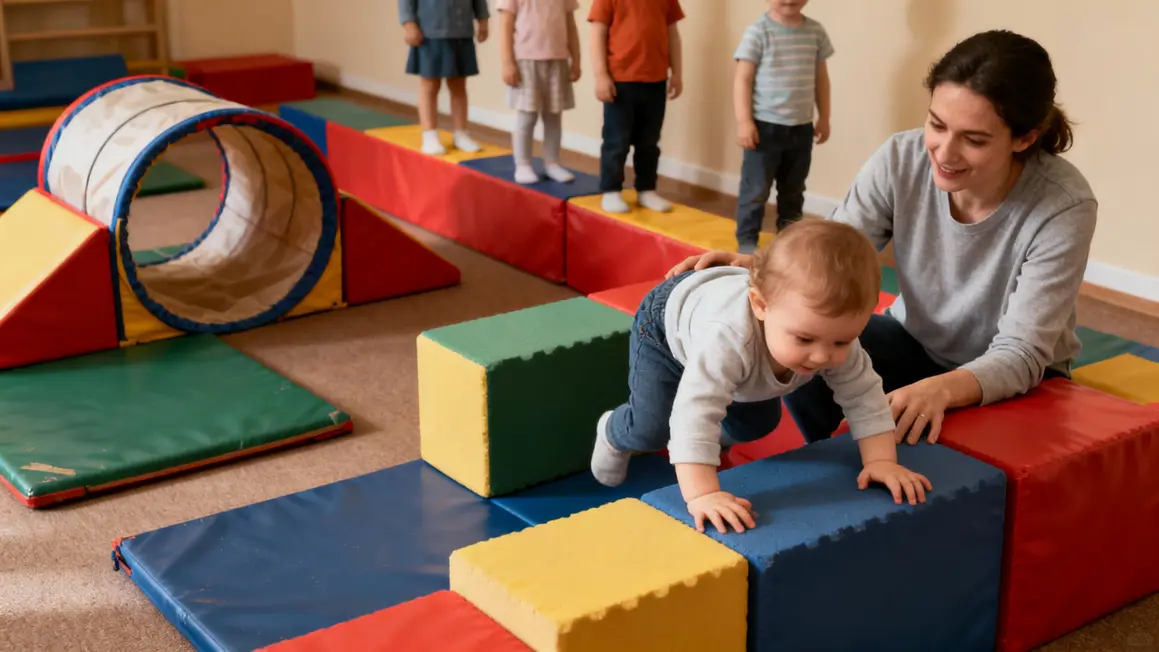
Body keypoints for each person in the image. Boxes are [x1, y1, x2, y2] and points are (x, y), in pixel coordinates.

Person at [668, 30, 1097, 447]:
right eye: (937, 124)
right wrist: (766, 268)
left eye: (974, 140)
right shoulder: (901, 159)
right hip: (914, 343)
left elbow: (1022, 353)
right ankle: (839, 463)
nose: (944, 153)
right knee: (803, 336)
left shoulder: (1062, 205)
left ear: (1025, 138)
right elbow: (830, 254)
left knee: (936, 461)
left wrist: (940, 390)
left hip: (1015, 375)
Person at [591, 220, 933, 535]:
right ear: (760, 305)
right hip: (668, 326)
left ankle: (713, 442)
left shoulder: (828, 335)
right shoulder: (728, 339)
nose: (822, 356)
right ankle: (613, 431)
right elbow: (694, 413)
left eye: (841, 341)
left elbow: (864, 397)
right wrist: (703, 495)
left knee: (756, 424)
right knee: (653, 427)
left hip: (739, 344)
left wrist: (881, 462)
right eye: (804, 339)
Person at [734, 0, 834, 253]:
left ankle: (788, 241)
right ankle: (747, 241)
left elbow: (821, 78)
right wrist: (744, 121)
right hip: (764, 129)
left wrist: (824, 116)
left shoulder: (815, 32)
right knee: (756, 190)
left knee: (793, 190)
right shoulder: (758, 31)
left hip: (801, 129)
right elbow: (743, 79)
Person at [589, 0, 684, 214]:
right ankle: (611, 189)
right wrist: (601, 75)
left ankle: (646, 188)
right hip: (621, 81)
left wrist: (677, 72)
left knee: (649, 142)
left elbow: (672, 34)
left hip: (656, 81)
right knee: (617, 141)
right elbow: (597, 33)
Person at [497, 0, 582, 185]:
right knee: (527, 116)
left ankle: (552, 162)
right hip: (526, 61)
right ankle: (523, 164)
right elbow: (505, 26)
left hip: (558, 60)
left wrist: (576, 60)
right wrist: (508, 63)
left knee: (553, 116)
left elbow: (571, 25)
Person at [400, 0, 490, 155]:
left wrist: (483, 19)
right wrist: (409, 24)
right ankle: (429, 134)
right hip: (430, 31)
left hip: (461, 31)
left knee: (459, 85)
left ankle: (461, 133)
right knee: (429, 84)